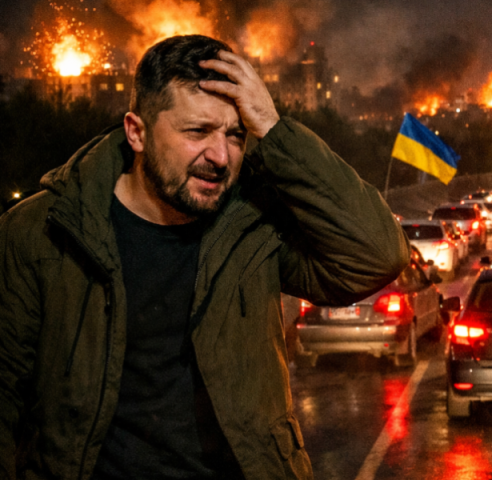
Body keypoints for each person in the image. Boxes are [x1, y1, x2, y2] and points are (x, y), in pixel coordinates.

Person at [0, 35, 409, 479]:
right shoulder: (42, 232)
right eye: (197, 132)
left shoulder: (252, 224)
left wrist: (273, 128)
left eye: (235, 135)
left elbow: (377, 254)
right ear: (136, 132)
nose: (220, 156)